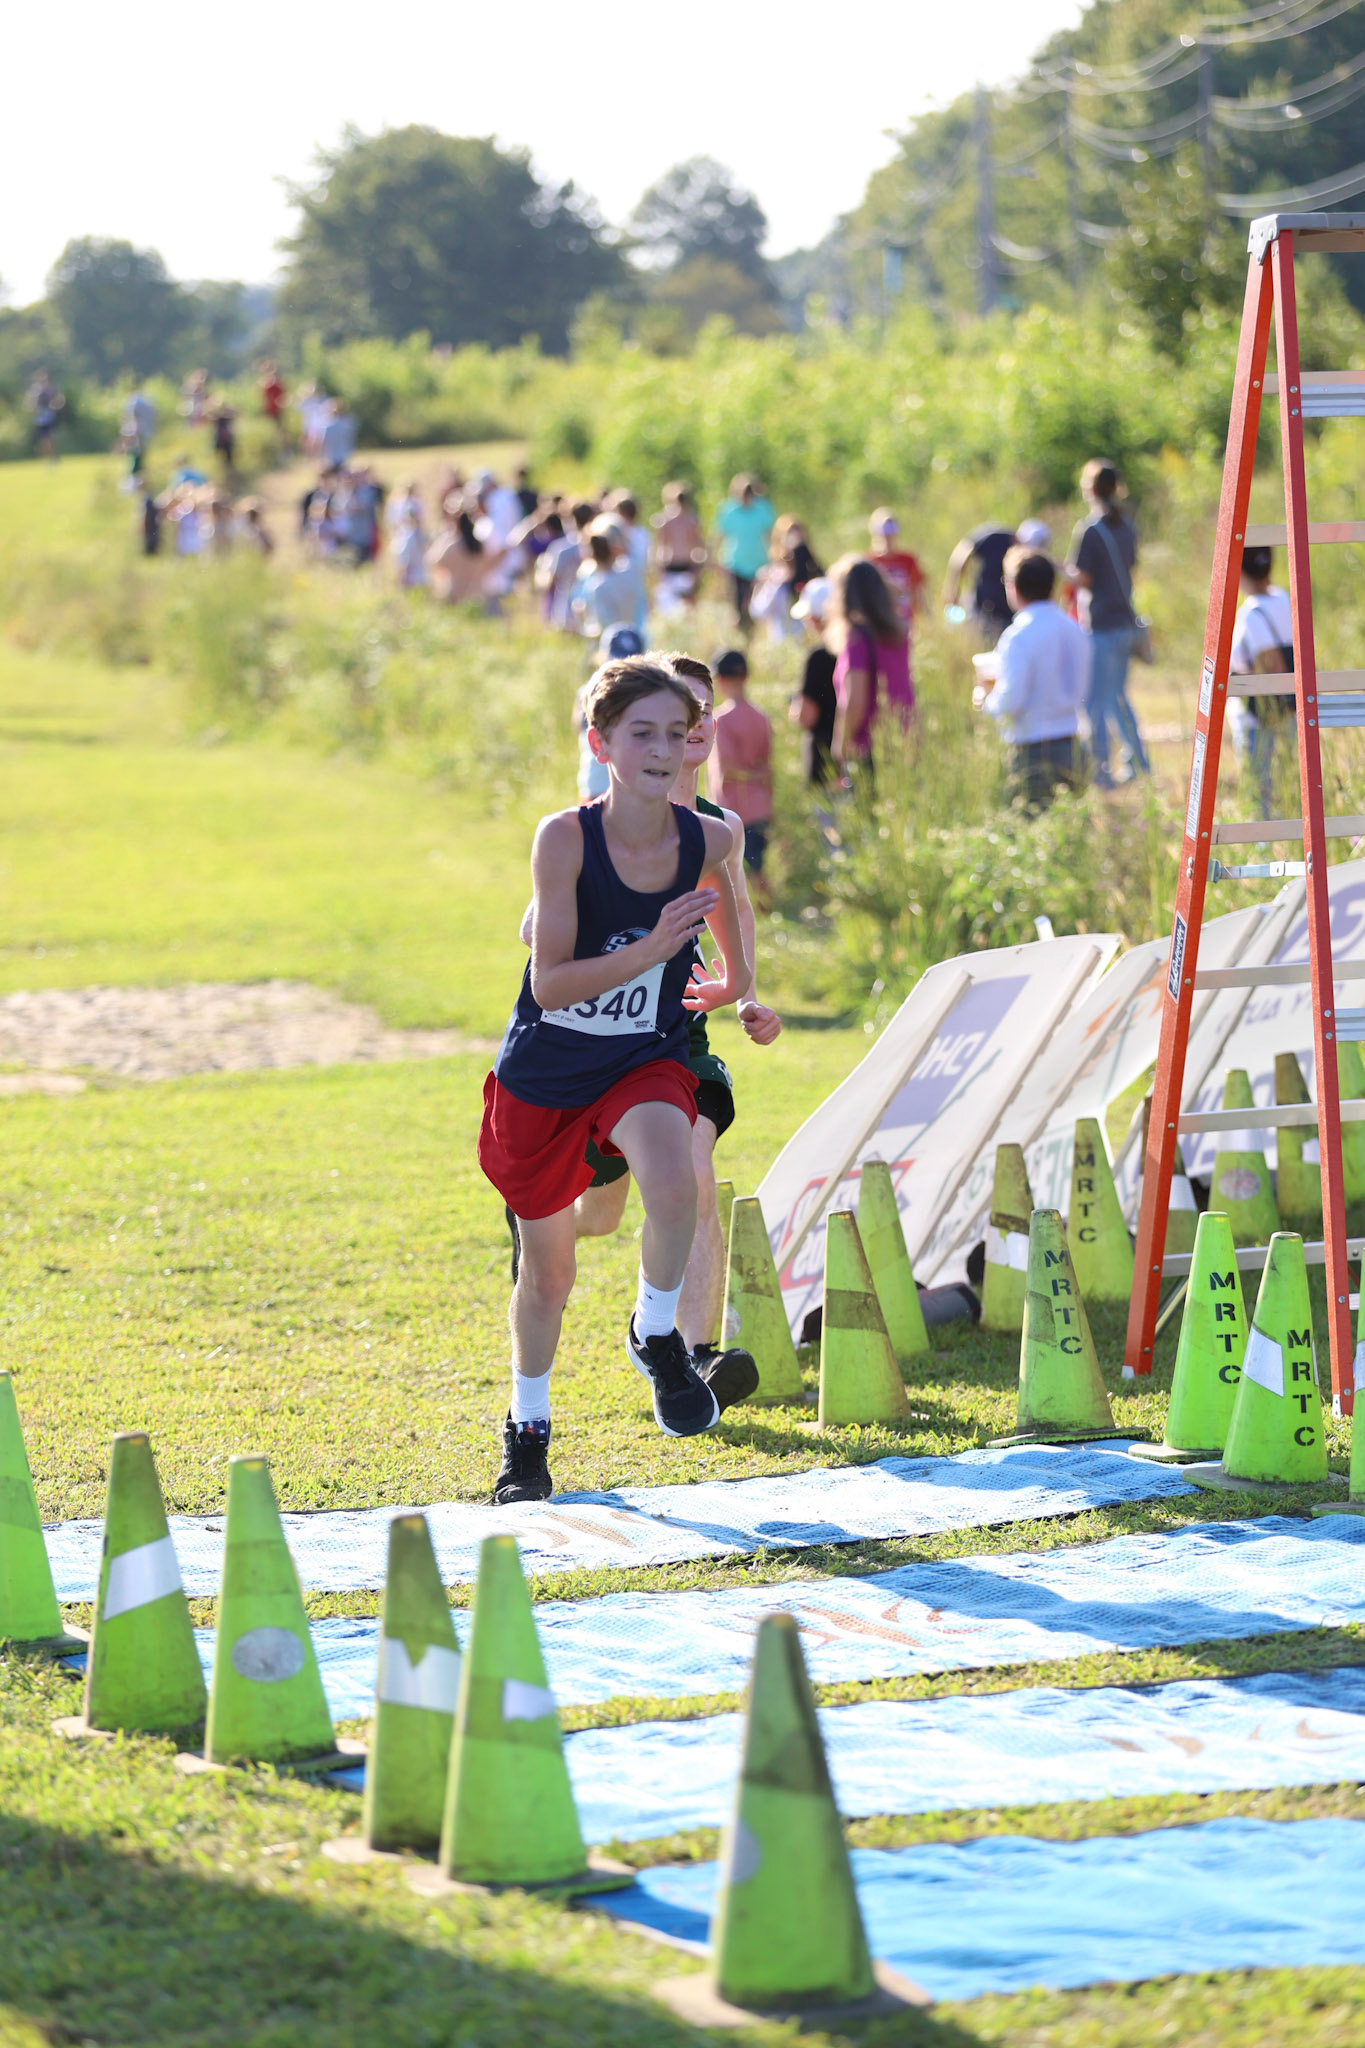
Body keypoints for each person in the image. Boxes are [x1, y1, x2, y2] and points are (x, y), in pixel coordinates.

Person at [478, 655, 749, 1502]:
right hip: (547, 1074)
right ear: (600, 744)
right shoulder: (563, 838)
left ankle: (657, 1334)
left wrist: (735, 984)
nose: (662, 748)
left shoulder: (712, 835)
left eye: (677, 731)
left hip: (644, 1057)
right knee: (547, 1278)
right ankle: (528, 1432)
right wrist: (649, 950)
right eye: (642, 733)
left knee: (676, 1177)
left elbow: (728, 897)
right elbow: (551, 981)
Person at [570, 653, 779, 1388]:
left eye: (702, 711)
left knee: (692, 1170)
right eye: (676, 711)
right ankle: (537, 1227)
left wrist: (744, 993)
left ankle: (690, 1355)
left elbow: (736, 913)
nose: (692, 726)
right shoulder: (599, 823)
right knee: (595, 1215)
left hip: (677, 1036)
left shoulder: (720, 827)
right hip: (597, 1038)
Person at [977, 548, 1089, 810]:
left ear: (1014, 587)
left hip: (1032, 750)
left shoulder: (1018, 636)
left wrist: (985, 700)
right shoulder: (1074, 629)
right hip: (1073, 744)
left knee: (1029, 829)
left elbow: (1010, 702)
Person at [1066, 459, 1150, 789]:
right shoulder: (1126, 526)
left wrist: (1063, 572)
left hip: (1101, 624)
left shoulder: (1089, 529)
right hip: (1126, 622)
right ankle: (1137, 763)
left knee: (1095, 702)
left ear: (1089, 489)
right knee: (1117, 697)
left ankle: (1101, 772)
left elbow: (1083, 578)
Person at [826, 554, 914, 778]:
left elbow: (854, 701)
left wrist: (840, 745)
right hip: (901, 740)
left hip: (868, 748)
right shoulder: (898, 633)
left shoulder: (857, 638)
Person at [1227, 544, 1295, 811]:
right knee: (1287, 785)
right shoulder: (1282, 598)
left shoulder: (1252, 614)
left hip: (1259, 718)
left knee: (1259, 792)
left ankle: (1265, 849)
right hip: (1289, 712)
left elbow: (1272, 665)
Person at [709, 650, 773, 884]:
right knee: (758, 869)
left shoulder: (720, 719)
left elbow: (726, 767)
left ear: (720, 680)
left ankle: (750, 917)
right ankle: (769, 916)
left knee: (734, 873)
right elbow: (768, 766)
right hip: (760, 804)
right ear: (746, 676)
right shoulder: (761, 716)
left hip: (731, 806)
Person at [789, 577, 838, 787]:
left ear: (815, 618)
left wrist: (794, 707)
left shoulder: (818, 657)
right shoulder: (858, 650)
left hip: (824, 763)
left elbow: (806, 717)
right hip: (858, 760)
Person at [714, 474, 775, 633]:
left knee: (757, 606)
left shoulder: (763, 508)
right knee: (738, 605)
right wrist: (715, 560)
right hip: (736, 564)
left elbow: (770, 535)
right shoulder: (728, 510)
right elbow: (719, 535)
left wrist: (775, 559)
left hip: (759, 563)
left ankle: (754, 634)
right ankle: (741, 636)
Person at [942, 520, 1017, 646]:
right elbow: (961, 557)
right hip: (985, 607)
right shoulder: (993, 537)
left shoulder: (1011, 541)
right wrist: (953, 588)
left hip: (1008, 612)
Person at [572, 523, 641, 637]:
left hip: (612, 646)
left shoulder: (598, 586)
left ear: (592, 555)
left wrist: (583, 626)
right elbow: (630, 553)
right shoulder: (630, 573)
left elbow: (605, 627)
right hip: (634, 637)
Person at [867, 509, 925, 629]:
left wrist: (924, 618)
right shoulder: (867, 561)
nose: (888, 535)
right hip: (878, 620)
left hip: (905, 620)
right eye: (883, 529)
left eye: (892, 529)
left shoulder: (908, 560)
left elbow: (917, 592)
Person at [652, 483, 704, 614]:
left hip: (682, 565)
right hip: (675, 565)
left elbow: (697, 546)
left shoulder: (687, 520)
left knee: (685, 605)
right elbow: (661, 546)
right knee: (674, 606)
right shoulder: (675, 520)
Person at [26, 371, 64, 461]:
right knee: (43, 440)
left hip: (49, 416)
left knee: (49, 439)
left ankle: (54, 457)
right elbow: (32, 403)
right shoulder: (36, 390)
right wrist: (31, 407)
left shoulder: (51, 389)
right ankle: (50, 458)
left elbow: (58, 400)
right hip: (40, 418)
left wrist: (56, 405)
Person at [210, 396, 237, 475]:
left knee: (229, 456)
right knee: (218, 455)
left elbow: (235, 414)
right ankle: (221, 471)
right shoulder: (216, 415)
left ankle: (229, 472)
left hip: (227, 439)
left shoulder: (227, 415)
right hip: (219, 438)